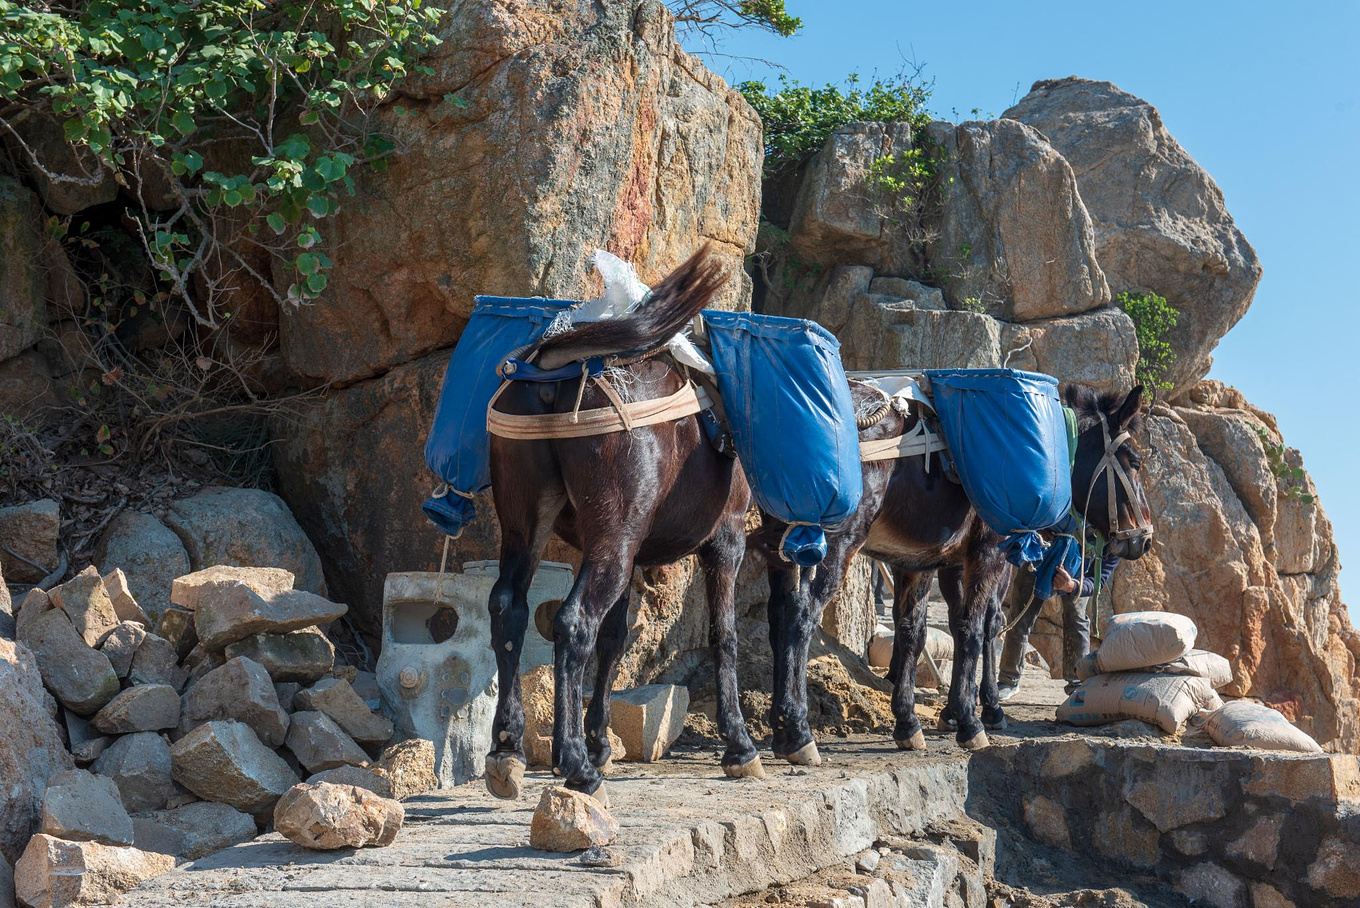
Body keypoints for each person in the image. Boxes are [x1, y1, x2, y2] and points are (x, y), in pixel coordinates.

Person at [997, 549, 1120, 699]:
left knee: (1076, 617)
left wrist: (1072, 586)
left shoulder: (1116, 541)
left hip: (1080, 568)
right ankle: (1008, 680)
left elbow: (1097, 580)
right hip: (1042, 555)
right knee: (1020, 616)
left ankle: (1078, 684)